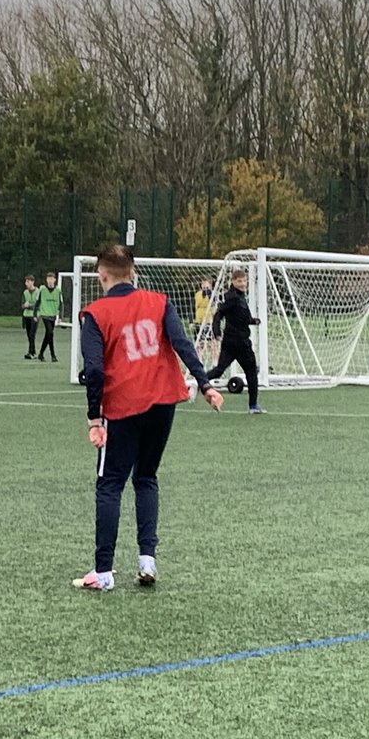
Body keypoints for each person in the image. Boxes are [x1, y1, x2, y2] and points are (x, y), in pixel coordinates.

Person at [74, 245, 222, 590]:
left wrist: (95, 418)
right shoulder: (159, 302)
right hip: (163, 402)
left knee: (110, 483)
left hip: (124, 405)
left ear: (102, 275)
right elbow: (183, 344)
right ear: (134, 273)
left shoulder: (95, 314)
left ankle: (104, 572)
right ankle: (147, 561)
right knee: (146, 477)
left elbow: (94, 370)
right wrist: (205, 384)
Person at [204, 268, 264, 414]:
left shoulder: (239, 297)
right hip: (239, 343)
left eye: (244, 280)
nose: (243, 283)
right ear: (233, 282)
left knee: (219, 371)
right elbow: (218, 315)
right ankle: (253, 406)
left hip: (232, 343)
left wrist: (253, 321)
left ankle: (196, 382)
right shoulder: (233, 298)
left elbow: (240, 318)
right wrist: (217, 332)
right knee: (251, 372)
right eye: (239, 281)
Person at [36, 271, 62, 362]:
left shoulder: (58, 290)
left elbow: (61, 304)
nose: (50, 281)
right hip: (45, 314)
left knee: (48, 335)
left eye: (52, 279)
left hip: (53, 315)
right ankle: (53, 355)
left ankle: (41, 354)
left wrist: (61, 316)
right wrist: (35, 313)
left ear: (55, 280)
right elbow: (38, 301)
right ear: (46, 280)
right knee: (50, 333)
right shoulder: (42, 289)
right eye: (48, 279)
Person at [193, 278, 217, 364]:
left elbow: (214, 304)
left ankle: (215, 362)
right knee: (200, 343)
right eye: (203, 285)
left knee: (212, 343)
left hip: (209, 321)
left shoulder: (213, 294)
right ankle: (199, 360)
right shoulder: (198, 294)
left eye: (207, 285)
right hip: (199, 320)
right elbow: (196, 305)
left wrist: (210, 296)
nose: (205, 287)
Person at [21, 275, 40, 359]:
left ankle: (30, 353)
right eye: (26, 282)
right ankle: (33, 352)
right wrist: (25, 305)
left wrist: (29, 305)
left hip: (35, 316)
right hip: (27, 316)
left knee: (32, 334)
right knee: (29, 335)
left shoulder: (38, 292)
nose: (26, 284)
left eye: (28, 282)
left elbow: (38, 305)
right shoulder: (25, 292)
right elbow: (22, 305)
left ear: (32, 282)